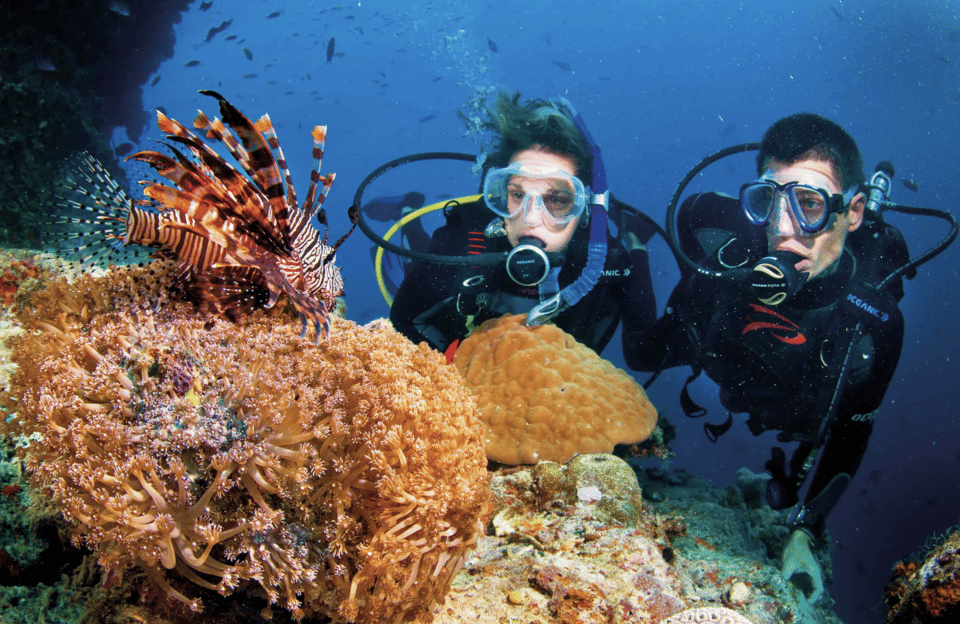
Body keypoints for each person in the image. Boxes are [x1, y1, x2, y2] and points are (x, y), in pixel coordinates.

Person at [627, 113, 910, 603]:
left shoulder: (874, 324)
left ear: (854, 211)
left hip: (790, 406)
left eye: (809, 204)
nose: (783, 230)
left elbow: (849, 435)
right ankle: (629, 247)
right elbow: (691, 216)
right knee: (639, 353)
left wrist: (804, 531)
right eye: (768, 202)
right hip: (720, 354)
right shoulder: (731, 255)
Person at [390, 92, 660, 358]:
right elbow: (404, 319)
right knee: (416, 251)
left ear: (584, 209)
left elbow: (640, 353)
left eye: (556, 199)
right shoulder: (464, 242)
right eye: (517, 194)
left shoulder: (606, 266)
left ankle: (637, 239)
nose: (529, 218)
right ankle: (408, 209)